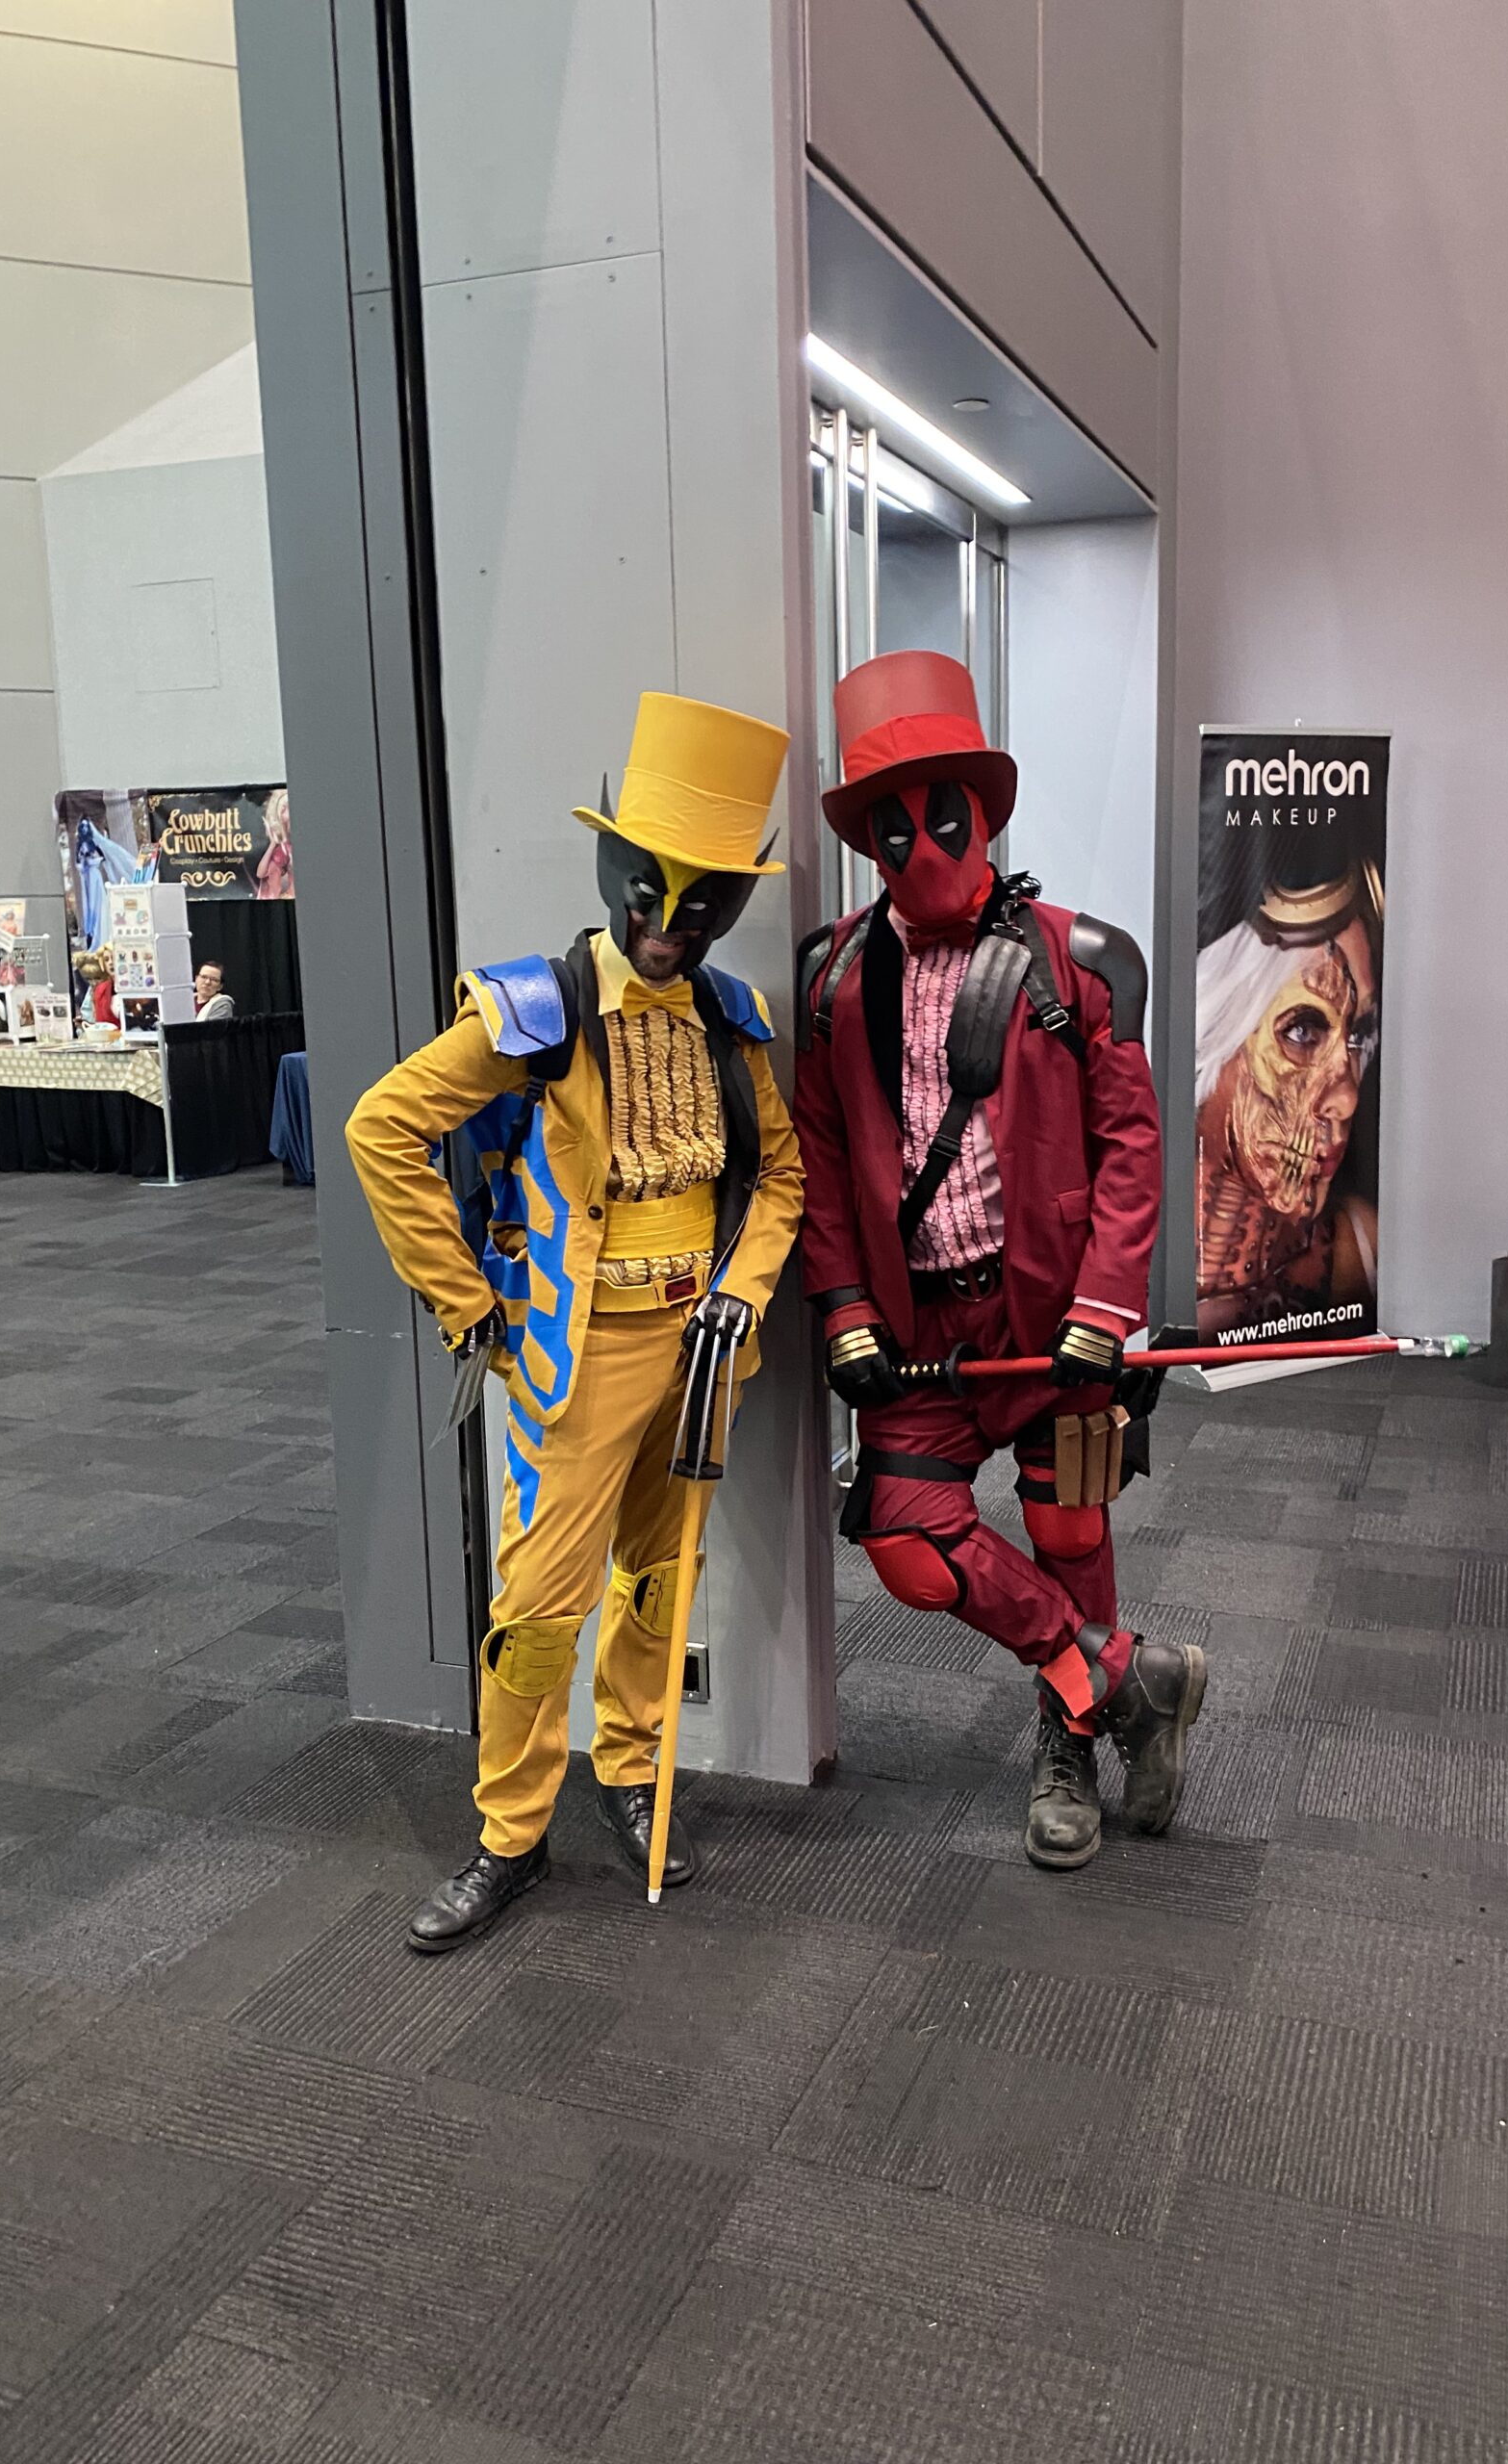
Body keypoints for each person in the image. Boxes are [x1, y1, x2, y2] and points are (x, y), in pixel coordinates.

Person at [345, 691, 803, 1951]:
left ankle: (634, 1768)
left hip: (699, 1357)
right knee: (540, 1609)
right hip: (576, 1358)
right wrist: (465, 1304)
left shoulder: (729, 1024)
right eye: (654, 892)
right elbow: (383, 1129)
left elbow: (778, 1180)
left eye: (706, 902)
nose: (672, 926)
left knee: (661, 1580)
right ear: (615, 870)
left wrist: (741, 1292)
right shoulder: (536, 1011)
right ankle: (509, 1834)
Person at [791, 649, 1188, 1875]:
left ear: (986, 808)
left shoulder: (1082, 959)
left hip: (1052, 1317)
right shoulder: (832, 976)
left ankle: (1066, 1737)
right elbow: (813, 1152)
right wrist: (845, 1302)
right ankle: (1110, 1678)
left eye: (941, 812)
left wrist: (1109, 1301)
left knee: (1071, 1531)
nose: (920, 842)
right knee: (908, 1542)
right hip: (920, 1339)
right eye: (890, 823)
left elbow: (1132, 1142)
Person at [1194, 856, 1382, 1337]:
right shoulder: (1119, 1266)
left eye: (1358, 1035)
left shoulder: (1366, 1252)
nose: (1345, 1101)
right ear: (1218, 1030)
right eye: (1302, 1030)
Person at [256, 788, 294, 900]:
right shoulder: (281, 846)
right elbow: (260, 873)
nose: (287, 813)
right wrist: (273, 845)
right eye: (283, 809)